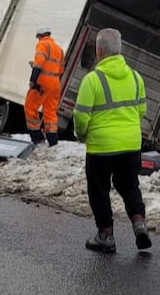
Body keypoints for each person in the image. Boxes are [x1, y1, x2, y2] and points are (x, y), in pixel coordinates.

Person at [73, 28, 151, 253]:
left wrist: (82, 134)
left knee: (99, 189)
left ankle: (105, 235)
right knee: (129, 184)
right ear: (119, 50)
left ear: (99, 51)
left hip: (101, 146)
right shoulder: (136, 78)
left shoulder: (92, 80)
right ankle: (139, 222)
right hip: (130, 144)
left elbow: (80, 116)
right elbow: (141, 111)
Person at [24, 25, 65, 147]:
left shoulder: (43, 44)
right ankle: (53, 139)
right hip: (55, 84)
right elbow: (61, 69)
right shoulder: (59, 49)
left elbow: (39, 63)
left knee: (30, 106)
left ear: (41, 36)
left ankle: (37, 137)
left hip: (42, 83)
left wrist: (33, 80)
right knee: (50, 110)